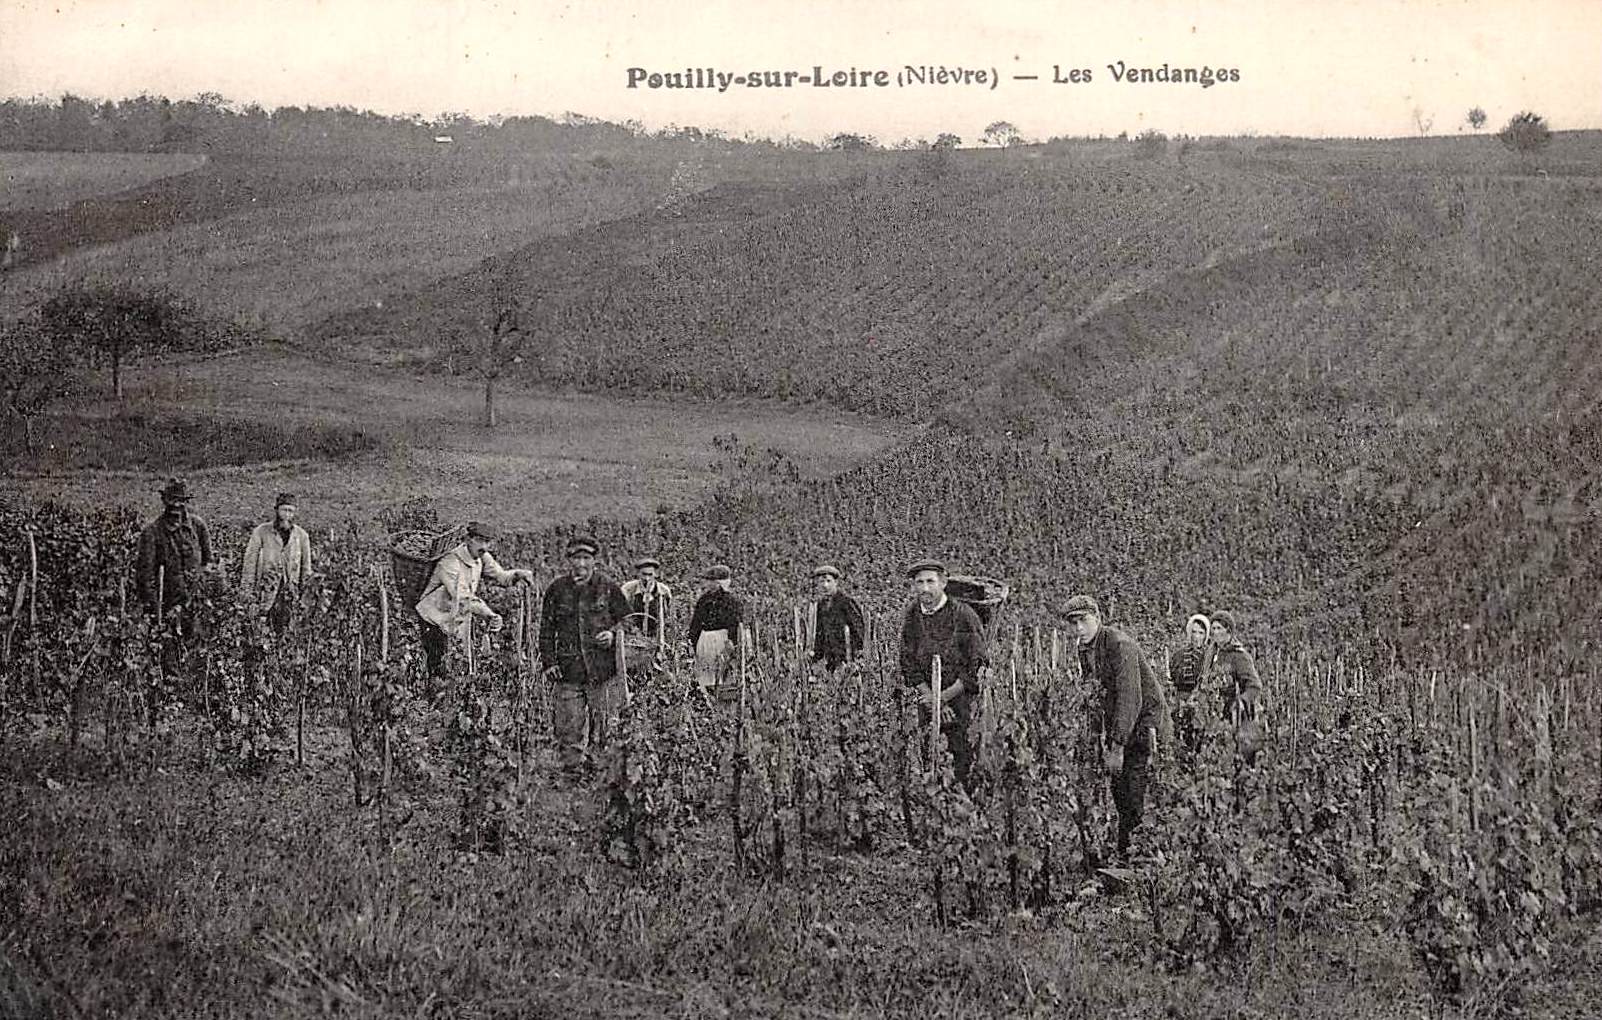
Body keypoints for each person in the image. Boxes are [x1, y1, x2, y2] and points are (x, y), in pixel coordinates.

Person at [1063, 594, 1169, 862]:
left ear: (1097, 619)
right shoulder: (1085, 649)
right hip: (1121, 726)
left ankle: (1144, 860)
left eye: (1083, 621)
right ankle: (1127, 856)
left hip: (1146, 726)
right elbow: (1095, 694)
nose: (1079, 629)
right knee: (1120, 792)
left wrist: (1117, 746)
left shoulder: (1120, 646)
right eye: (1073, 623)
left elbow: (1129, 697)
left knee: (1136, 794)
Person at [538, 536, 632, 773]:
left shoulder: (608, 588)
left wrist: (612, 634)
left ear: (594, 561)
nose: (581, 563)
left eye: (586, 558)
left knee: (605, 725)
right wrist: (549, 663)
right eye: (577, 558)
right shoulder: (557, 590)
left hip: (603, 670)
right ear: (569, 560)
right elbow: (546, 630)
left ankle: (600, 773)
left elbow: (629, 623)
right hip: (569, 671)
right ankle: (571, 775)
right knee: (569, 727)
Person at [898, 559, 989, 789]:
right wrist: (931, 699)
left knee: (960, 762)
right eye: (919, 583)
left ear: (943, 583)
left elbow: (975, 666)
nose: (925, 588)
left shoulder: (964, 615)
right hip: (927, 701)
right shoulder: (912, 615)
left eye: (931, 581)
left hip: (959, 702)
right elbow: (908, 663)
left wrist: (943, 698)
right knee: (928, 757)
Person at [414, 521, 533, 685]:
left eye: (488, 541)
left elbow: (501, 576)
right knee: (437, 666)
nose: (485, 546)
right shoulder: (450, 561)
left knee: (457, 663)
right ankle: (434, 700)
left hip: (454, 617)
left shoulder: (481, 557)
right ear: (468, 539)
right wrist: (489, 613)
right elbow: (462, 597)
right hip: (433, 618)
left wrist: (518, 574)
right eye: (480, 540)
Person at [135, 478, 214, 664]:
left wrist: (203, 595)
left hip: (195, 606)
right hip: (168, 608)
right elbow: (145, 578)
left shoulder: (198, 527)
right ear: (164, 502)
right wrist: (156, 612)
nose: (176, 505)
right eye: (172, 500)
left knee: (196, 656)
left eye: (180, 501)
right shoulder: (152, 532)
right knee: (170, 658)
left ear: (186, 502)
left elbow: (209, 563)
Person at [240, 492, 314, 632]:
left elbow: (306, 569)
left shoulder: (302, 536)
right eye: (284, 510)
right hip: (265, 592)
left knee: (287, 630)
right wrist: (247, 594)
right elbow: (249, 564)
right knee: (261, 629)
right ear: (276, 510)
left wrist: (305, 598)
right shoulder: (261, 532)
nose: (287, 515)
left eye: (290, 511)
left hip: (290, 593)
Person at [1207, 610, 1264, 760]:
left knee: (1234, 752)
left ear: (1229, 630)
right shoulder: (1211, 652)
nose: (1215, 632)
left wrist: (1241, 701)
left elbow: (1255, 685)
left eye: (1219, 628)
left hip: (1231, 714)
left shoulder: (1239, 656)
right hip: (1213, 714)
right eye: (1213, 629)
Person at [687, 564, 744, 701]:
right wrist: (691, 642)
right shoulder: (704, 600)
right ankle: (706, 699)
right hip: (705, 640)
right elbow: (696, 624)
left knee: (722, 671)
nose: (708, 584)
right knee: (704, 673)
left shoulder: (732, 601)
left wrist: (731, 644)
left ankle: (722, 701)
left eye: (711, 581)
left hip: (722, 640)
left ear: (718, 583)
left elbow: (735, 625)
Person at [1168, 613, 1212, 762]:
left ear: (1206, 635)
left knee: (1199, 738)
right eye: (1193, 632)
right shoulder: (1179, 656)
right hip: (1181, 700)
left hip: (1201, 702)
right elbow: (1173, 679)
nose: (1196, 636)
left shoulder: (1209, 656)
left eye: (1201, 632)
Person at [809, 564, 865, 673]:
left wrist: (856, 659)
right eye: (821, 582)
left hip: (848, 662)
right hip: (829, 664)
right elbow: (819, 636)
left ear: (836, 583)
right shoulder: (820, 607)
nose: (825, 586)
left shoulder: (846, 602)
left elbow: (859, 632)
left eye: (829, 581)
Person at [620, 556, 672, 672]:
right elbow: (622, 615)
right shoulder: (628, 590)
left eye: (650, 575)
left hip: (654, 636)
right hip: (633, 637)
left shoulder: (663, 591)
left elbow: (666, 616)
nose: (647, 578)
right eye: (644, 574)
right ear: (638, 574)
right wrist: (634, 633)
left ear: (656, 575)